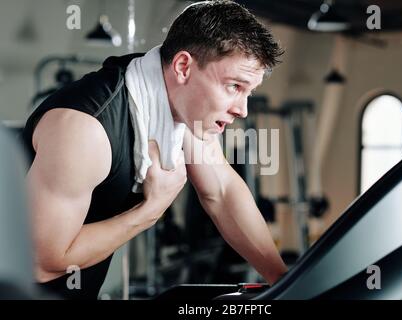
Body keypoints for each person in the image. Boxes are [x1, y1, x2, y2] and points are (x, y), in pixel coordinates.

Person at [22, 0, 287, 299]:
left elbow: (222, 192)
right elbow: (40, 262)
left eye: (248, 92)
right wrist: (150, 211)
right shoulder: (85, 130)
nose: (242, 109)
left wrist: (287, 282)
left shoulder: (181, 109)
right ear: (183, 67)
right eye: (234, 87)